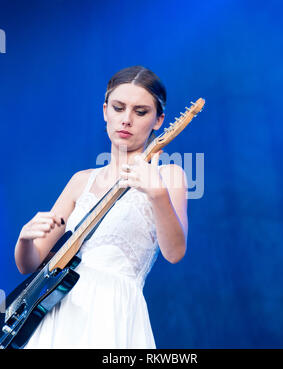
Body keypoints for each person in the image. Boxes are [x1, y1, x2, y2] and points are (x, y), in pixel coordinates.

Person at [14, 65, 188, 349]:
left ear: (159, 120)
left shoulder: (169, 176)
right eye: (118, 108)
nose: (126, 120)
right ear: (105, 110)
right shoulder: (80, 181)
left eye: (141, 112)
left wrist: (157, 193)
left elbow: (175, 253)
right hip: (59, 309)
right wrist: (24, 239)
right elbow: (29, 265)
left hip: (114, 311)